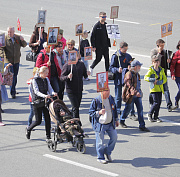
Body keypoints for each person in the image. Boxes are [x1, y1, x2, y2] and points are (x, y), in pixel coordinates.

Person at [26, 66, 57, 141]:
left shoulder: (46, 79)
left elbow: (50, 88)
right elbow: (36, 92)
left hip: (45, 101)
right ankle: (29, 129)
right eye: (46, 73)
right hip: (37, 102)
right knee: (38, 121)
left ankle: (48, 136)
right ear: (41, 73)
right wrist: (45, 95)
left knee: (47, 119)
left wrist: (53, 93)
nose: (47, 74)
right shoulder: (34, 80)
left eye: (48, 73)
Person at [89, 88, 119, 164]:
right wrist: (99, 112)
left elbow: (114, 109)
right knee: (100, 142)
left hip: (110, 123)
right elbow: (91, 113)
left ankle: (108, 152)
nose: (108, 92)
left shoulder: (111, 98)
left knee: (114, 137)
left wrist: (116, 119)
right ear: (102, 92)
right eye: (106, 91)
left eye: (109, 90)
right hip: (100, 125)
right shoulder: (96, 100)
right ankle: (100, 157)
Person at [120, 60, 150, 131]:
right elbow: (129, 86)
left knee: (140, 110)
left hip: (137, 95)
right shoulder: (129, 74)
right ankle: (122, 120)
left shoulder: (137, 74)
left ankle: (142, 125)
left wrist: (140, 92)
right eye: (139, 66)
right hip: (131, 96)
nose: (140, 67)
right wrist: (136, 92)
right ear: (135, 67)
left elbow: (138, 84)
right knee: (127, 109)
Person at [0, 27, 27, 98]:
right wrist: (2, 56)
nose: (9, 33)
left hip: (16, 60)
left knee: (15, 76)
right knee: (11, 76)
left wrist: (22, 39)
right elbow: (1, 48)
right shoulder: (5, 38)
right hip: (8, 61)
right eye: (8, 32)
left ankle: (13, 89)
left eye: (10, 32)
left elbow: (24, 45)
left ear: (14, 32)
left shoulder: (17, 37)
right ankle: (12, 92)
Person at [150, 39, 176, 112]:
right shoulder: (153, 51)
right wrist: (158, 53)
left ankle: (169, 105)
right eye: (161, 45)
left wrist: (169, 60)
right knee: (154, 90)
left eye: (163, 45)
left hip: (163, 73)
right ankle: (151, 102)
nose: (163, 47)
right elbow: (153, 59)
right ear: (158, 45)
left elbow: (167, 64)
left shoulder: (165, 52)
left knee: (166, 90)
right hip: (155, 74)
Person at [60, 54, 89, 119]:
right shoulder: (67, 65)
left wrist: (87, 73)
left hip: (79, 89)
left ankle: (70, 118)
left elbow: (85, 75)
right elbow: (61, 77)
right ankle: (77, 123)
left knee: (76, 107)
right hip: (71, 90)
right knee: (75, 107)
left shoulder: (81, 64)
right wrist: (67, 77)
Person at [109, 41, 132, 116]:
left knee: (129, 94)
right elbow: (111, 68)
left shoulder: (128, 56)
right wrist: (117, 70)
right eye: (124, 49)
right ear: (120, 48)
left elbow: (131, 64)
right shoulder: (116, 56)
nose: (125, 51)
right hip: (118, 78)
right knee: (118, 96)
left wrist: (129, 67)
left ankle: (131, 111)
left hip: (127, 78)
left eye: (126, 49)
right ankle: (117, 110)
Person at [144, 56, 167, 122]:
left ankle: (156, 116)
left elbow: (165, 79)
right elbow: (146, 77)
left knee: (159, 103)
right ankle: (150, 114)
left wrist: (160, 82)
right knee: (156, 102)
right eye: (155, 62)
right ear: (152, 63)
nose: (156, 64)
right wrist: (153, 80)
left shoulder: (161, 70)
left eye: (157, 62)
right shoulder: (151, 70)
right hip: (153, 89)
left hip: (160, 89)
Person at [170, 40, 180, 108]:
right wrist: (172, 74)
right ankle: (176, 99)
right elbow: (172, 66)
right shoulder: (176, 54)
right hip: (178, 75)